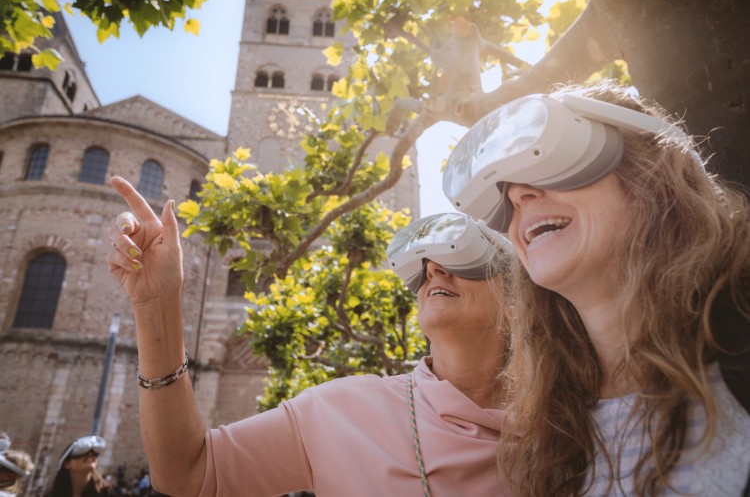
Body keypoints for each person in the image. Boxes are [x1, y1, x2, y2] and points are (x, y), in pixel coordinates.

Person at [106, 180, 514, 497]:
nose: (433, 273)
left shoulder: (572, 416)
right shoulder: (342, 410)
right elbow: (188, 474)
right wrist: (157, 305)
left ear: (519, 300)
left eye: (465, 258)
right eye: (423, 268)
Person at [443, 80, 750, 495]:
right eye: (502, 192)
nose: (517, 195)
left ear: (650, 172)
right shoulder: (549, 431)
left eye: (551, 158)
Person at [47, 436, 112, 497]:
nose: (90, 454)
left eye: (95, 452)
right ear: (67, 464)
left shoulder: (107, 493)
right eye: (82, 452)